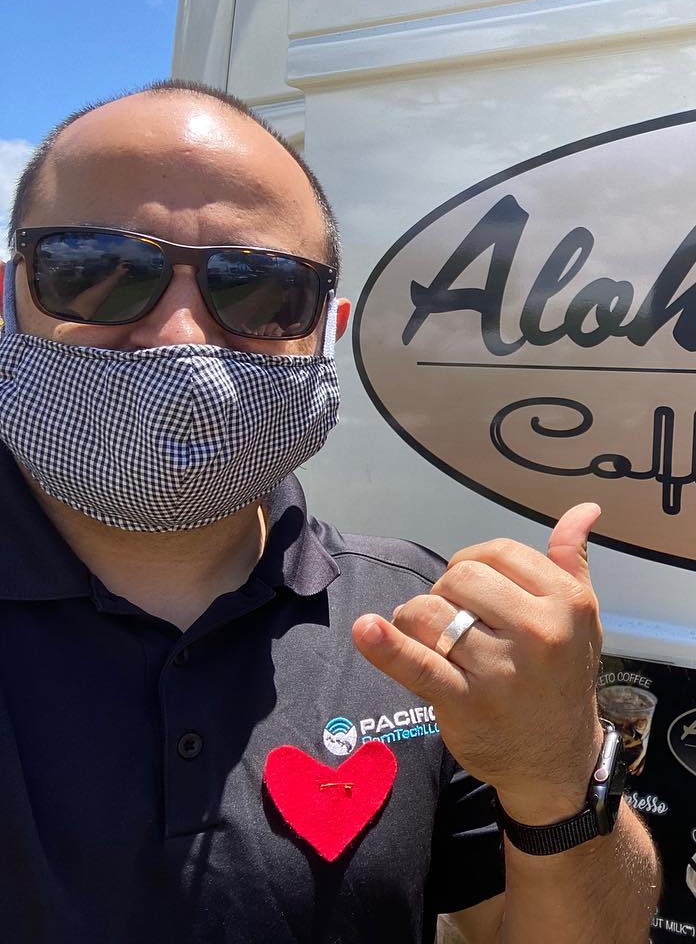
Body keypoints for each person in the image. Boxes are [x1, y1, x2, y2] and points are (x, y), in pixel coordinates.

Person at [0, 80, 658, 942]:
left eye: (259, 288)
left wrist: (561, 777)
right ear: (9, 297)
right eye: (96, 270)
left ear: (326, 333)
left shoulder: (419, 618)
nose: (179, 336)